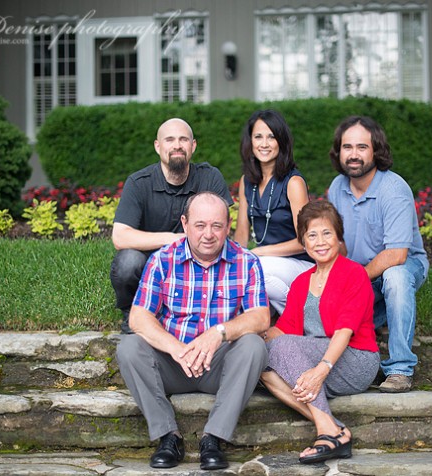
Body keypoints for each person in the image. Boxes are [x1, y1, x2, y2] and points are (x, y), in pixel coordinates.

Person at [115, 191, 270, 470]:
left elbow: (260, 318)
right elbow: (139, 317)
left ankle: (213, 438)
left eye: (216, 226)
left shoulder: (246, 261)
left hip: (218, 366)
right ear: (185, 224)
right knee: (128, 347)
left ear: (228, 226)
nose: (208, 234)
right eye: (200, 225)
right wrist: (176, 348)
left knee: (254, 346)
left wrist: (218, 333)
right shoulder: (163, 259)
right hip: (174, 364)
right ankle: (168, 437)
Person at [261, 200, 379, 465]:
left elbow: (345, 331)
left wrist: (321, 369)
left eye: (327, 233)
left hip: (354, 360)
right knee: (259, 364)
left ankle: (327, 431)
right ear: (303, 243)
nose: (320, 241)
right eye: (311, 235)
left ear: (338, 237)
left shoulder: (354, 274)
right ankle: (332, 427)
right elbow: (283, 330)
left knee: (280, 349)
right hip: (315, 363)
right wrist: (251, 338)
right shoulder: (302, 282)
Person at [327, 115, 429, 393]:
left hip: (402, 266)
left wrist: (354, 281)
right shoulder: (337, 188)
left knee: (395, 277)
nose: (354, 155)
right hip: (362, 272)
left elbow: (396, 254)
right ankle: (358, 367)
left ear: (376, 151)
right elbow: (340, 245)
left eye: (362, 147)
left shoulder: (393, 190)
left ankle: (399, 370)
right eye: (347, 147)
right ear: (339, 152)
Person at [110, 118, 233, 333]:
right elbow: (120, 237)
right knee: (128, 262)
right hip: (153, 264)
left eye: (183, 139)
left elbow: (223, 228)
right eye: (170, 139)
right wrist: (172, 239)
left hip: (198, 261)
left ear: (193, 146)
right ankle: (135, 313)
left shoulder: (210, 178)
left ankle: (202, 315)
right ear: (158, 146)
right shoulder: (139, 183)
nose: (177, 145)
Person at [234, 110, 312, 316]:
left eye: (271, 137)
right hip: (268, 263)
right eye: (258, 136)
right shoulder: (246, 181)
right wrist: (231, 258)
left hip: (300, 264)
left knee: (256, 269)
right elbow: (242, 234)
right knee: (237, 270)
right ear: (250, 141)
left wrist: (259, 252)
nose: (264, 143)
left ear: (281, 142)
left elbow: (305, 241)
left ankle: (302, 316)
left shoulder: (294, 183)